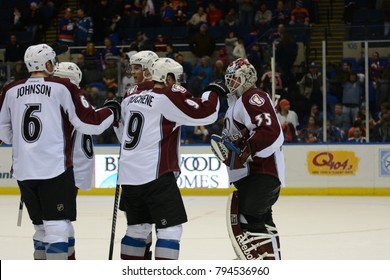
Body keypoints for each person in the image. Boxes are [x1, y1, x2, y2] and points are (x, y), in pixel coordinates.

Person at [0, 43, 120, 260]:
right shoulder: (62, 86)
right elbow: (89, 124)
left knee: (40, 229)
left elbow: (3, 131)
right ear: (47, 63)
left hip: (23, 171)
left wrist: (24, 145)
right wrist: (111, 111)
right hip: (54, 169)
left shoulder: (10, 89)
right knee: (57, 228)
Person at [114, 58, 224, 260]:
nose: (179, 83)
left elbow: (121, 136)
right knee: (170, 230)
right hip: (155, 175)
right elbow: (206, 115)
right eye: (178, 78)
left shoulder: (130, 98)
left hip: (128, 176)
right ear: (169, 77)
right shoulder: (166, 96)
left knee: (137, 230)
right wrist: (212, 92)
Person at [211, 58, 284, 260]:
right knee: (261, 220)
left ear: (248, 77)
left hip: (260, 172)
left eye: (235, 78)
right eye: (229, 79)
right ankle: (270, 260)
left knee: (250, 220)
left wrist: (245, 149)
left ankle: (261, 262)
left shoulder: (252, 97)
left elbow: (271, 132)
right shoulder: (236, 103)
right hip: (254, 175)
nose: (231, 83)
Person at [52, 61, 95, 259]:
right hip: (76, 168)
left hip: (65, 169)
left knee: (57, 223)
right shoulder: (83, 102)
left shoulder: (63, 103)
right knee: (62, 221)